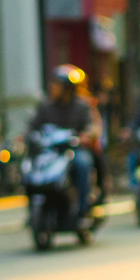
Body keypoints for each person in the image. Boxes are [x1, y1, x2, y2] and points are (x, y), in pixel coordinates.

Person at [33, 65, 100, 214]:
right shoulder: (45, 106)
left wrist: (86, 135)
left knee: (83, 163)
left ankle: (84, 207)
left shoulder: (81, 106)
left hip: (73, 150)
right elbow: (34, 126)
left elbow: (91, 125)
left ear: (67, 88)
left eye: (57, 84)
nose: (53, 87)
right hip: (51, 152)